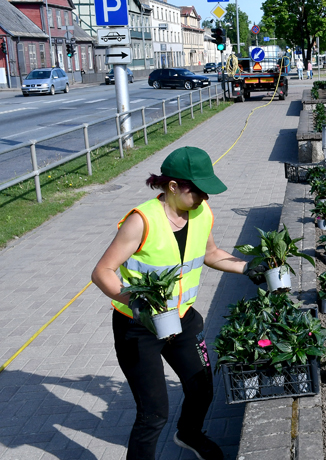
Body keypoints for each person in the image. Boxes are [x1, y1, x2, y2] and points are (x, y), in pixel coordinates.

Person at [91, 146, 268, 460]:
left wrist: (246, 267)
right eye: (197, 190)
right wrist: (136, 302)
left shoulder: (202, 212)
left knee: (202, 387)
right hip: (139, 327)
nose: (204, 197)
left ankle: (189, 434)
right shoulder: (141, 221)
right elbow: (102, 272)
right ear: (172, 186)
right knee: (154, 413)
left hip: (182, 318)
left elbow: (210, 253)